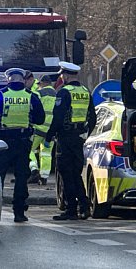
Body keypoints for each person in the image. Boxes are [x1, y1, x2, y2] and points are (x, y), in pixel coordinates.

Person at [0, 67, 45, 223]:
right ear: (23, 79)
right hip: (23, 141)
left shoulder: (0, 95)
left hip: (2, 141)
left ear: (8, 79)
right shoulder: (31, 96)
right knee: (21, 177)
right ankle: (19, 212)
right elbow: (40, 119)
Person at [47, 61, 96, 221]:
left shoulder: (64, 92)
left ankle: (71, 210)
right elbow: (93, 117)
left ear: (66, 75)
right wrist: (86, 134)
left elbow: (58, 117)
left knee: (66, 173)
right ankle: (84, 205)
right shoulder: (85, 91)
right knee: (76, 173)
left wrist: (49, 136)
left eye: (62, 75)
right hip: (79, 138)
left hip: (65, 138)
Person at [28, 75, 56, 185]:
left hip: (38, 128)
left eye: (39, 84)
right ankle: (44, 177)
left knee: (28, 150)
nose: (39, 86)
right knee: (46, 153)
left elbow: (33, 108)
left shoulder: (39, 93)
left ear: (43, 83)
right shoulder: (58, 94)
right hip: (50, 130)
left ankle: (34, 169)